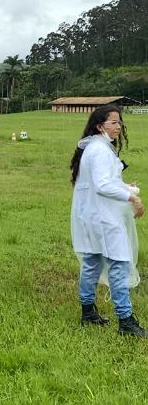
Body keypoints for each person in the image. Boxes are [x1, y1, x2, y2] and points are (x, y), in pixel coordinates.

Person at [70, 105, 147, 337]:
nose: (118, 127)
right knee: (119, 265)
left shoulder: (95, 148)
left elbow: (104, 181)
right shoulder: (100, 150)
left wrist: (127, 187)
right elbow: (102, 185)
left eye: (119, 122)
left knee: (92, 263)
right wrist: (131, 197)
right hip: (104, 219)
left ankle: (88, 313)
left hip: (93, 217)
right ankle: (126, 321)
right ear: (100, 125)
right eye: (114, 122)